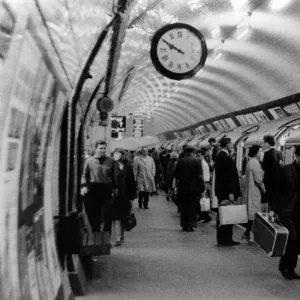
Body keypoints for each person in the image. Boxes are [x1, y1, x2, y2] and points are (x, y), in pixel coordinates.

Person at [269, 145, 300, 279]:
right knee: (292, 238)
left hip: (299, 211)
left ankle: (291, 267)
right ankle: (285, 267)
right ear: (297, 157)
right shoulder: (286, 170)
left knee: (297, 240)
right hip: (287, 210)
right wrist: (273, 209)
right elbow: (276, 192)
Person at [81, 140, 116, 233]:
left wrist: (115, 188)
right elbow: (85, 175)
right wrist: (84, 186)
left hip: (106, 189)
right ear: (96, 149)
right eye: (100, 148)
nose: (103, 150)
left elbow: (114, 176)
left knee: (107, 216)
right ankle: (96, 238)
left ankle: (106, 238)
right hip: (94, 189)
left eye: (104, 148)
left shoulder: (111, 161)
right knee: (94, 217)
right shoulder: (89, 161)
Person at [214, 137, 241, 246]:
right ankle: (226, 239)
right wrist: (231, 192)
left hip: (221, 191)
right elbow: (228, 177)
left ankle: (222, 238)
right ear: (227, 145)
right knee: (228, 215)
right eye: (231, 144)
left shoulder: (219, 156)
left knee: (222, 215)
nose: (232, 146)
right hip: (226, 192)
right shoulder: (226, 158)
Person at [174, 145, 205, 232]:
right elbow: (200, 176)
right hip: (195, 188)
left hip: (183, 187)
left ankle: (184, 225)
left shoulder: (180, 161)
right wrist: (203, 187)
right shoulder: (197, 161)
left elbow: (176, 175)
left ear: (185, 152)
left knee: (184, 207)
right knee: (192, 207)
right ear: (193, 152)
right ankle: (191, 225)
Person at [111, 148, 137, 246]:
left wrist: (132, 197)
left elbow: (131, 183)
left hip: (126, 195)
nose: (115, 155)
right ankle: (118, 238)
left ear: (122, 155)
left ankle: (121, 236)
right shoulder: (111, 166)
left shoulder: (128, 167)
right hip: (115, 195)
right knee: (117, 217)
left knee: (123, 216)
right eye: (114, 153)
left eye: (117, 153)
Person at [243, 145, 265, 241]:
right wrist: (264, 188)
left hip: (250, 191)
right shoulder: (255, 164)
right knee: (255, 214)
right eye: (261, 151)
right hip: (254, 192)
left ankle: (247, 233)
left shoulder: (250, 162)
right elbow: (259, 179)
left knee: (252, 215)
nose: (262, 153)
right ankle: (251, 235)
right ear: (256, 153)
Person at [262, 135, 283, 204]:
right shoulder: (279, 153)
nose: (264, 144)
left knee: (268, 202)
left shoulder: (267, 154)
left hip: (269, 182)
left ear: (268, 143)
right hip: (278, 182)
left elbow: (264, 168)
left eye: (264, 143)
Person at [195, 148, 212, 223]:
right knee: (203, 200)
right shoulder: (204, 162)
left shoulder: (202, 163)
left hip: (203, 184)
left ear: (202, 156)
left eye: (198, 156)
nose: (197, 157)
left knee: (202, 201)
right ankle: (206, 216)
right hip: (205, 183)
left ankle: (204, 216)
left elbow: (202, 176)